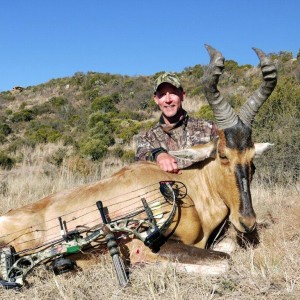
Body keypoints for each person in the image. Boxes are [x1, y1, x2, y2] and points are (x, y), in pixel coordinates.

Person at [135, 72, 218, 173]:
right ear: (156, 99)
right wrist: (158, 154)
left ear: (182, 96)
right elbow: (139, 161)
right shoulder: (147, 138)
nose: (168, 100)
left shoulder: (208, 128)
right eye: (162, 95)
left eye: (173, 93)